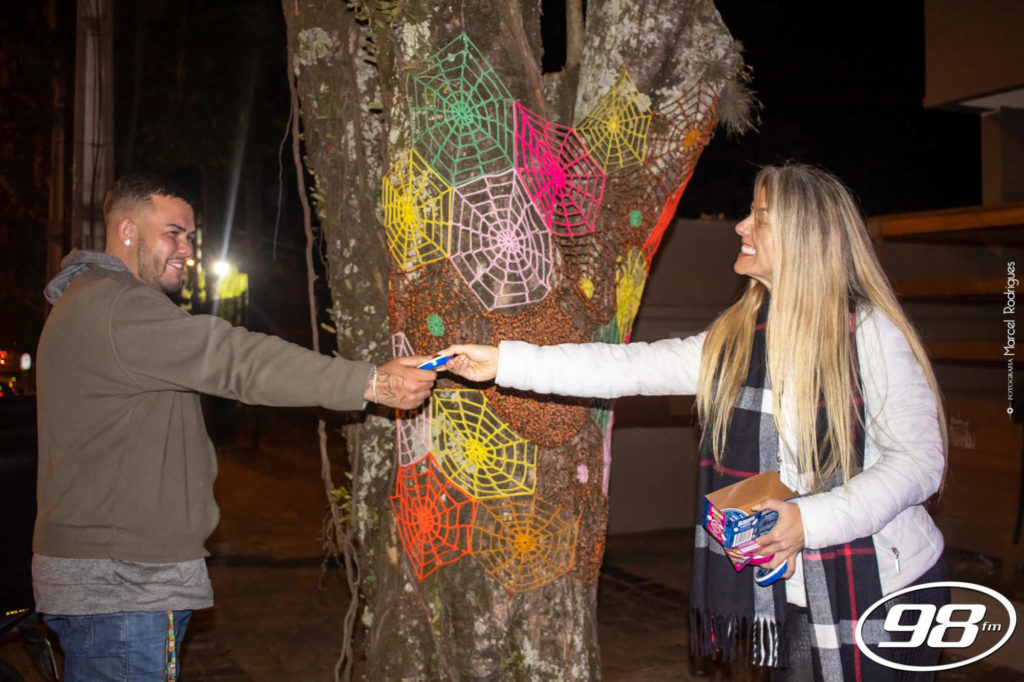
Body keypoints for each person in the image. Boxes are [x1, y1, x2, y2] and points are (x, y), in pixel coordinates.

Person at [443, 163, 947, 681]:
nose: (740, 226)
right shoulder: (740, 338)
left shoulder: (869, 334)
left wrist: (809, 521)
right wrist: (506, 362)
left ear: (805, 238)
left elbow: (919, 463)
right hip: (792, 590)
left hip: (884, 586)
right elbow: (630, 367)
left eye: (760, 217)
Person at [34, 172, 438, 680]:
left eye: (190, 236)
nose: (187, 249)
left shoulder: (98, 305)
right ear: (128, 231)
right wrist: (369, 382)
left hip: (121, 582)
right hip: (123, 585)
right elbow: (234, 358)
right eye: (173, 233)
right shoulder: (117, 305)